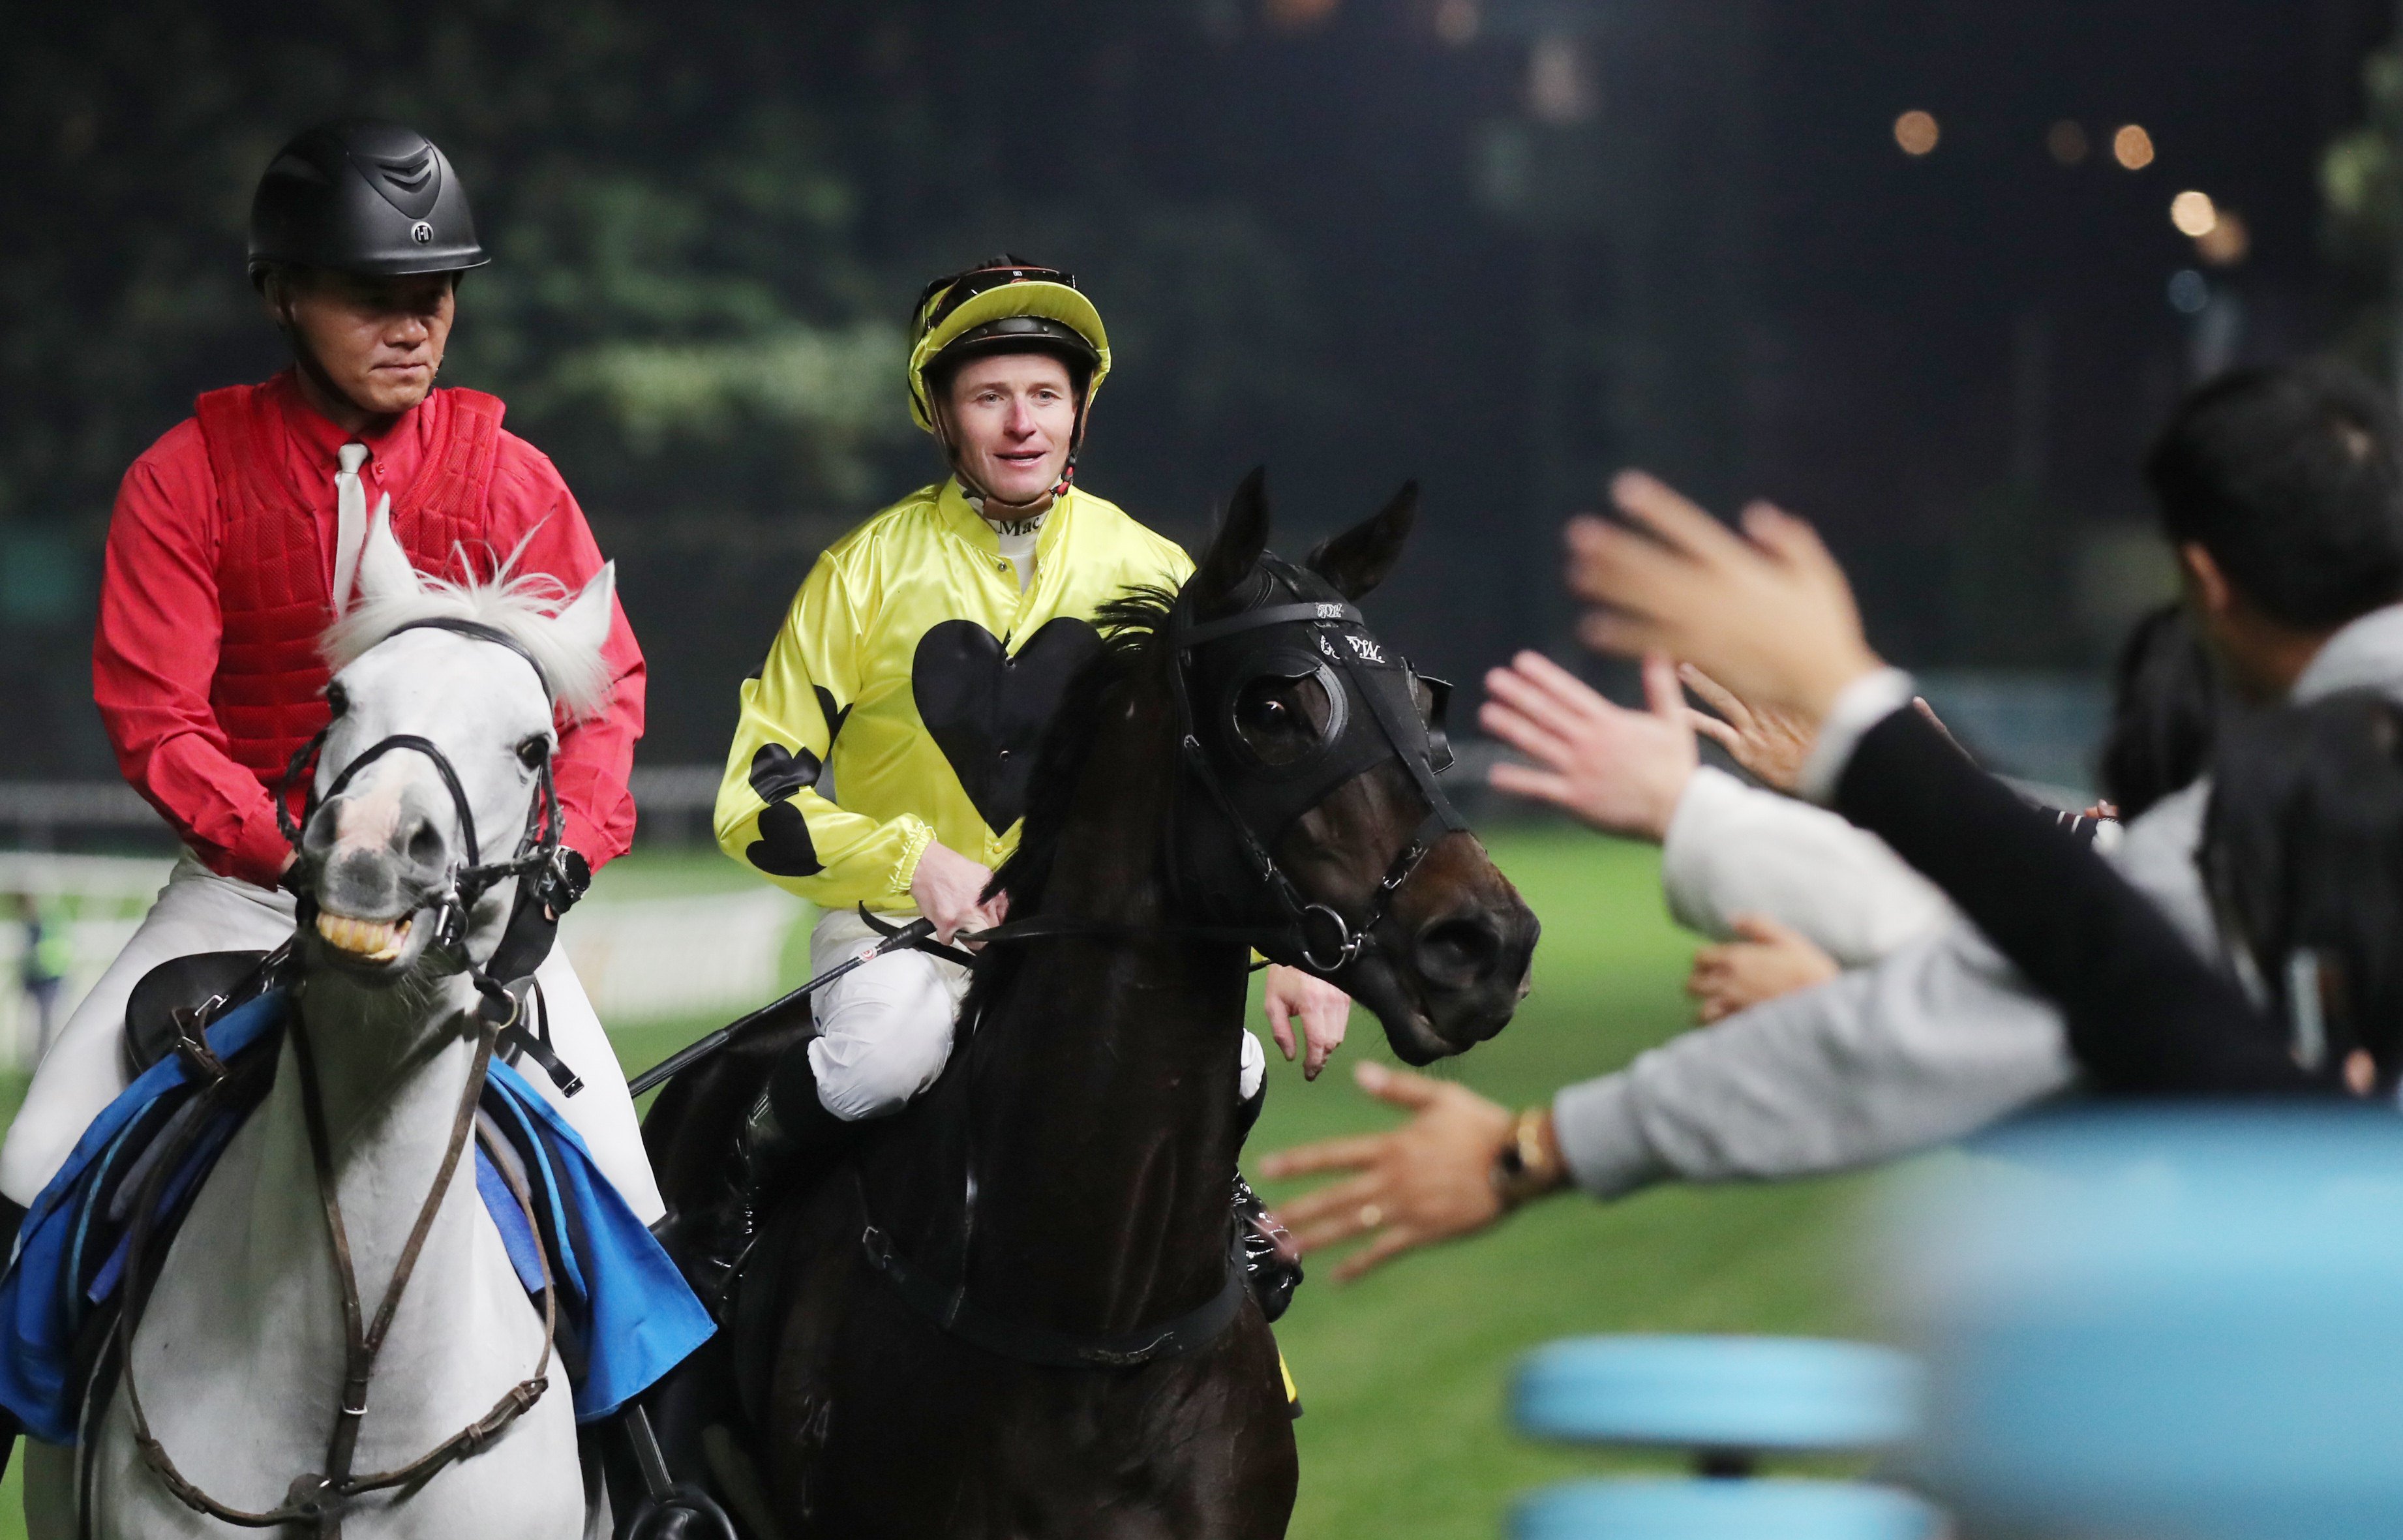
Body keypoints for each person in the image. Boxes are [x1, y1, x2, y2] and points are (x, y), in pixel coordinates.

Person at [1263, 361, 2403, 1274]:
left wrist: (1531, 1147)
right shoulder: (2320, 782)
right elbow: (2107, 901)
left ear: (2205, 582)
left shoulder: (2307, 798)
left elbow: (2053, 977)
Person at [0, 119, 663, 1227]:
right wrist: (292, 852)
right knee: (33, 1158)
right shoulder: (184, 478)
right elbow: (156, 718)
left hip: (470, 898)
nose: (412, 327)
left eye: (435, 294)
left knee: (635, 1206)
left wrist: (565, 859)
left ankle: (655, 1412)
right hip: (246, 892)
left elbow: (606, 695)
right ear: (282, 294)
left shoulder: (512, 478)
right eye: (370, 295)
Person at [676, 256, 1351, 1314]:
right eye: (990, 395)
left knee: (1233, 1065)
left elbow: (1233, 791)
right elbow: (749, 806)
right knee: (881, 1060)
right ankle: (731, 1219)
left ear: (1080, 413)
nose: (1022, 421)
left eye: (1046, 394)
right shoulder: (860, 572)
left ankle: (1214, 1204)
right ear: (942, 416)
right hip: (898, 937)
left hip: (1089, 946)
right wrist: (913, 863)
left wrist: (1298, 954)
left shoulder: (1153, 571)